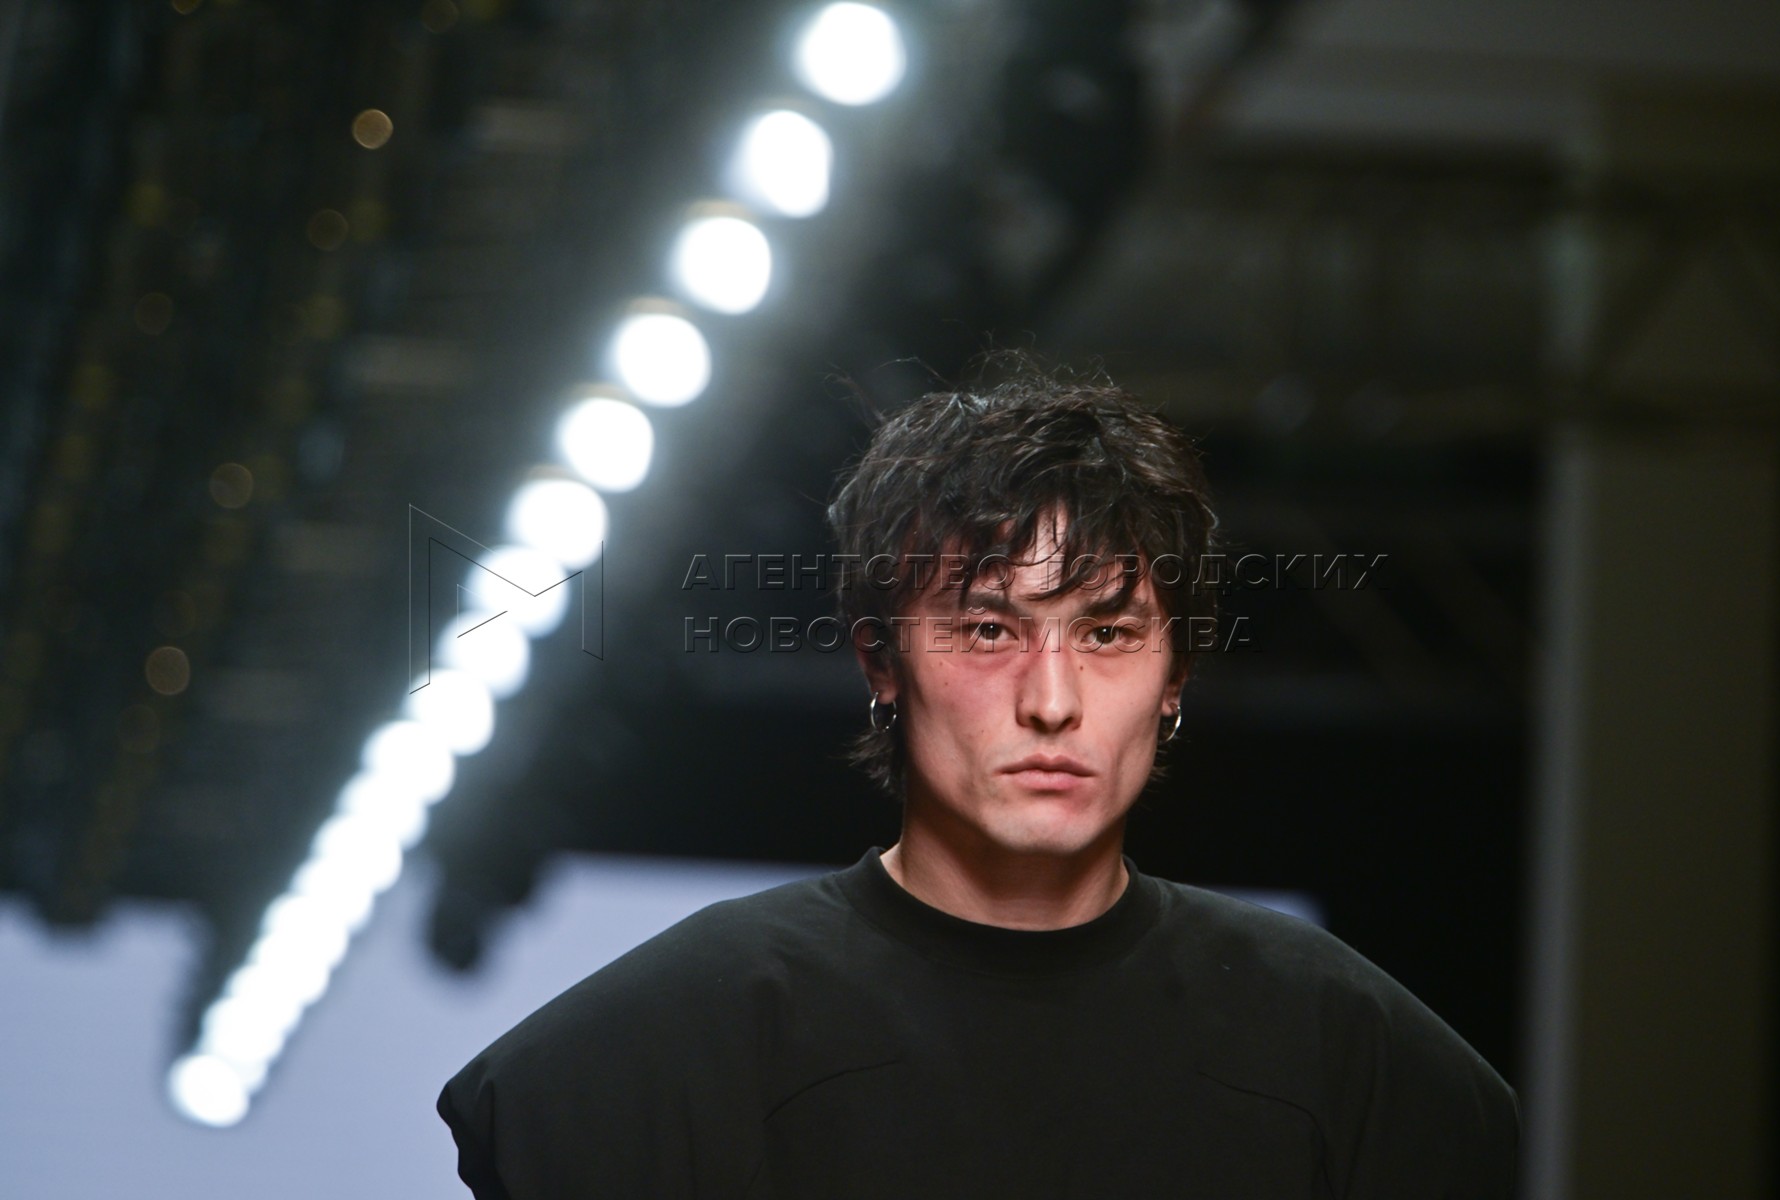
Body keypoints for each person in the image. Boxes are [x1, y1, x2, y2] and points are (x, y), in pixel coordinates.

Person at [436, 358, 1520, 1199]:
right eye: (989, 629)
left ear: (1175, 676)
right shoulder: (672, 1046)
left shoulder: (1350, 1057)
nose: (1052, 699)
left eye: (1108, 633)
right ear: (880, 661)